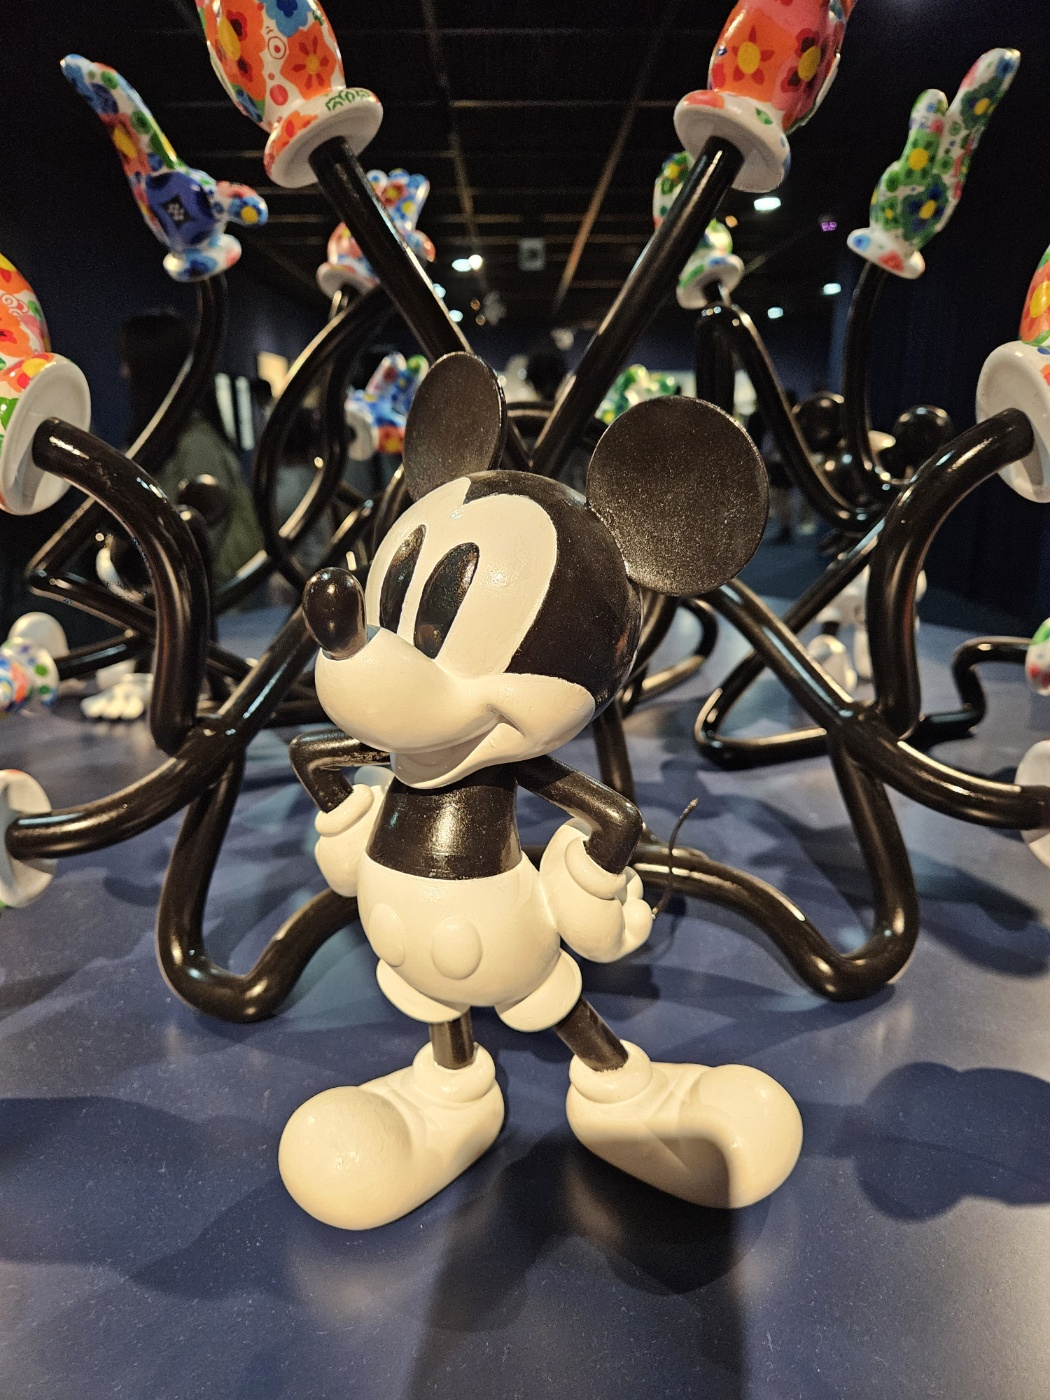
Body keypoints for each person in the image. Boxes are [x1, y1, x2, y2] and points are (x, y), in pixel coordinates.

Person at [118, 310, 263, 586]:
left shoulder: (195, 443)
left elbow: (199, 550)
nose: (123, 373)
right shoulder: (167, 439)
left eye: (130, 363)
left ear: (153, 370)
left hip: (205, 603)